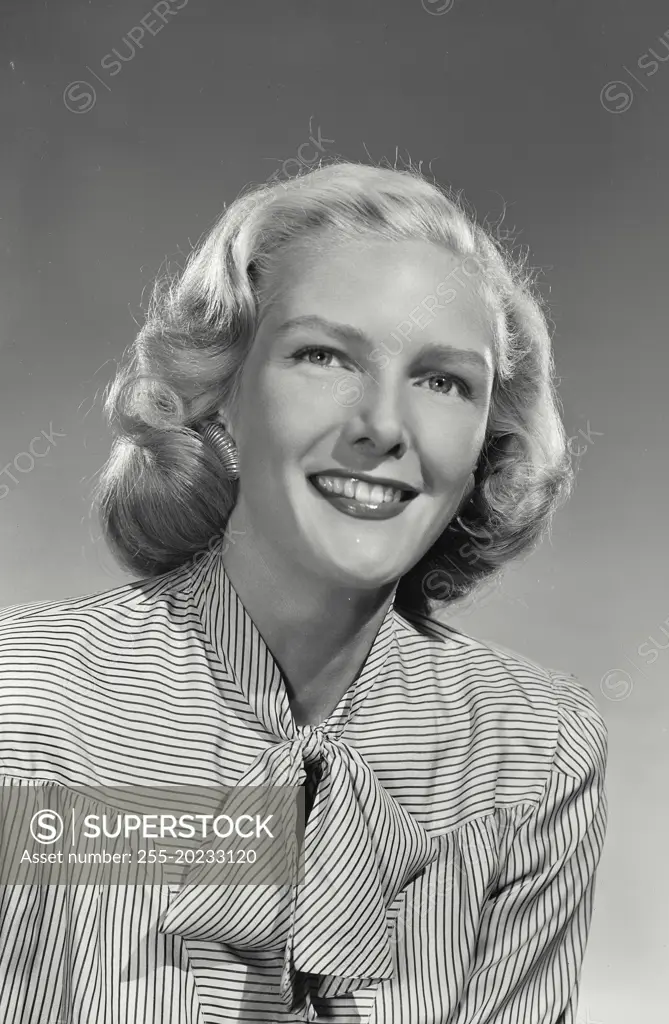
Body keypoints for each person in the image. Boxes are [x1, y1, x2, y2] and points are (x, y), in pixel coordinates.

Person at [0, 160, 608, 1024]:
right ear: (220, 401)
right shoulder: (25, 705)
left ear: (485, 444)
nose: (384, 428)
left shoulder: (533, 755)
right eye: (324, 356)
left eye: (443, 381)